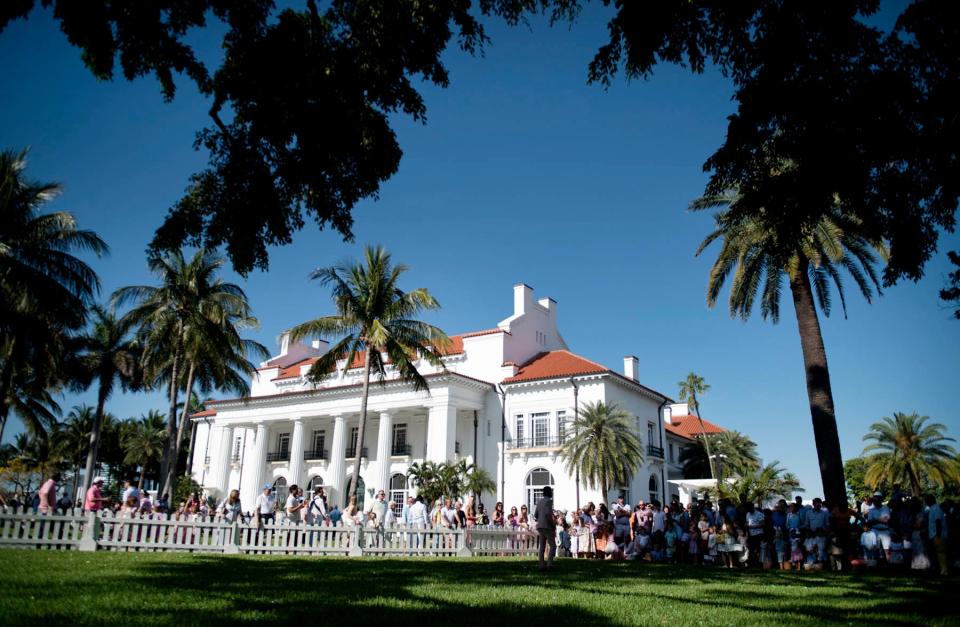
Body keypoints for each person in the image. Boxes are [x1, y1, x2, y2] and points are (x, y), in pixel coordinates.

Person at [925, 494, 949, 575]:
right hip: (934, 535)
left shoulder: (935, 509)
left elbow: (938, 521)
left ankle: (944, 570)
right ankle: (939, 569)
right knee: (937, 553)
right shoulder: (932, 509)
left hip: (938, 535)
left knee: (941, 553)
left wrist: (938, 535)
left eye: (926, 500)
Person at [535, 486, 556, 570]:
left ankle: (541, 565)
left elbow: (536, 514)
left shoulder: (539, 501)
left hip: (540, 526)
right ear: (549, 492)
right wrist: (553, 524)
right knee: (552, 545)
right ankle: (549, 564)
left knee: (542, 546)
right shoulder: (549, 501)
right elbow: (548, 514)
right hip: (547, 526)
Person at [805, 498, 831, 564]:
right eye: (817, 504)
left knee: (820, 550)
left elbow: (827, 524)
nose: (818, 506)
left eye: (819, 504)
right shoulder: (808, 513)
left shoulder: (824, 513)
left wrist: (823, 530)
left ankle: (820, 564)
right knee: (811, 550)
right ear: (813, 504)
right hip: (811, 535)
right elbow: (807, 524)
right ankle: (813, 564)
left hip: (821, 535)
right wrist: (809, 532)